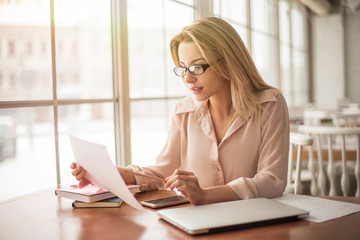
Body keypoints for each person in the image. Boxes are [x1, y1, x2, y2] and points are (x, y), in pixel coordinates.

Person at [71, 17, 289, 206]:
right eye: (183, 68)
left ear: (228, 62)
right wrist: (113, 173)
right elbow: (162, 171)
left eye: (196, 67)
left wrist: (205, 195)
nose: (188, 78)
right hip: (198, 224)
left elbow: (272, 180)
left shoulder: (269, 105)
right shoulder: (184, 112)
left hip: (254, 224)